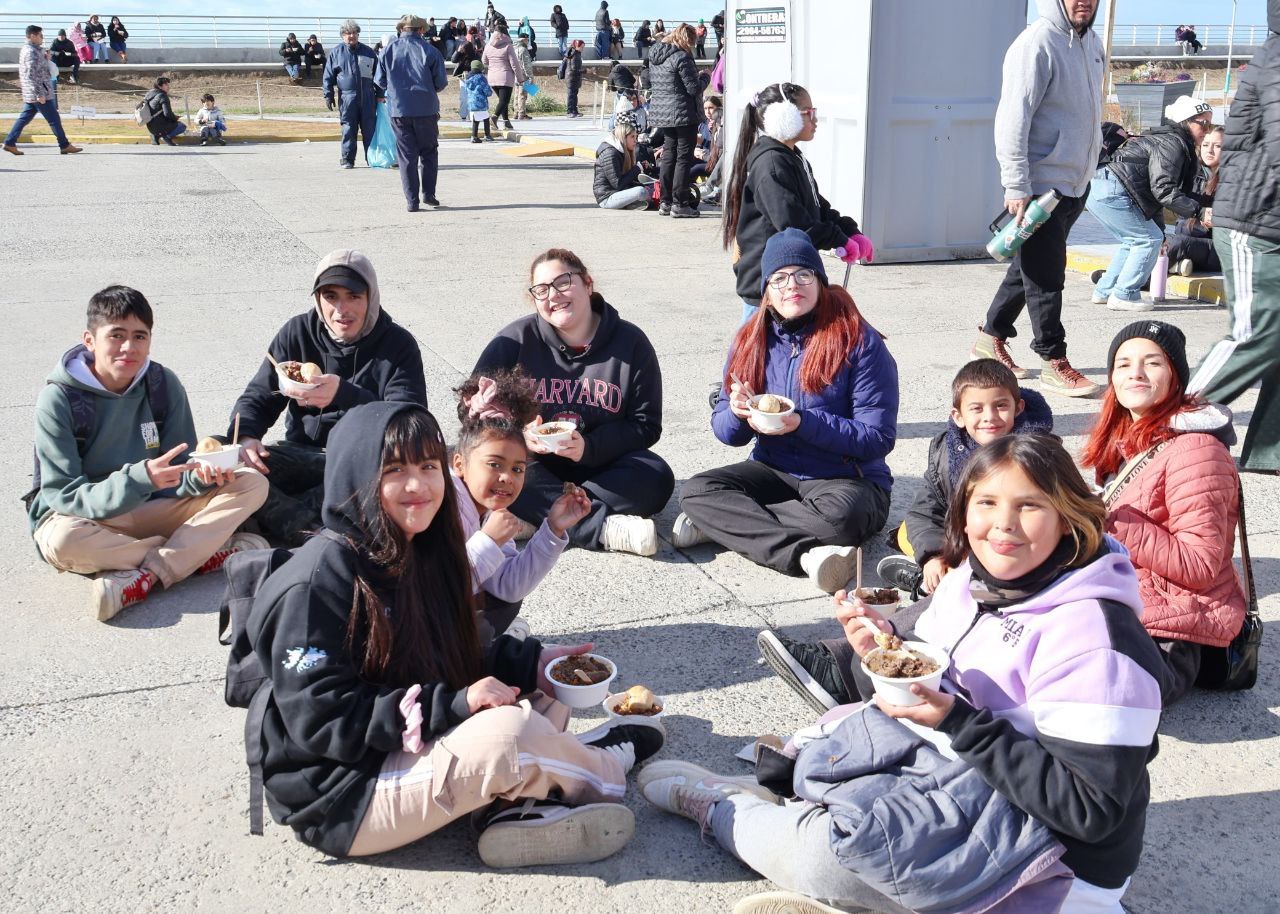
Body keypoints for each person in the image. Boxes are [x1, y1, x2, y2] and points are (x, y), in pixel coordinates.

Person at [647, 432, 1165, 914]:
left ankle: (722, 811)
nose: (1003, 524)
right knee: (830, 762)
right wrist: (885, 649)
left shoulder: (1097, 640)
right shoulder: (973, 580)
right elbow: (932, 678)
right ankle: (769, 803)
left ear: (1067, 519)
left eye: (1028, 505)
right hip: (959, 783)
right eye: (986, 503)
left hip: (1050, 857)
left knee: (823, 859)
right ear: (962, 514)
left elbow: (1091, 812)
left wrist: (958, 722)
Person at [247, 400, 664, 864]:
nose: (418, 485)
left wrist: (531, 662)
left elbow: (445, 650)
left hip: (400, 746)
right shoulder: (317, 581)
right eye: (394, 468)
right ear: (355, 474)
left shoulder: (418, 547)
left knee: (544, 690)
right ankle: (605, 767)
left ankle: (517, 811)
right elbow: (323, 719)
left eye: (428, 466)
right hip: (345, 794)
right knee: (512, 732)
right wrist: (454, 704)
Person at [758, 359, 1052, 713]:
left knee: (947, 600)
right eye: (977, 408)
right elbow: (923, 510)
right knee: (910, 537)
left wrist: (963, 565)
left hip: (1005, 562)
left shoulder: (1035, 456)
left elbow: (1040, 528)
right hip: (958, 548)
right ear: (958, 415)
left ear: (1018, 407)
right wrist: (933, 554)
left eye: (1001, 405)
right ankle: (917, 580)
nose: (990, 416)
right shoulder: (949, 450)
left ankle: (844, 668)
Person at [675, 229, 897, 592]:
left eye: (803, 274)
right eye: (779, 278)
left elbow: (877, 439)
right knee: (697, 491)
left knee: (840, 522)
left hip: (846, 478)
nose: (791, 285)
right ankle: (808, 557)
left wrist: (801, 422)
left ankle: (728, 524)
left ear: (820, 281)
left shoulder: (858, 340)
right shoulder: (750, 338)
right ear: (766, 291)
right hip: (774, 470)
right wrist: (737, 411)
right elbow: (726, 433)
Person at [28, 286, 268, 621]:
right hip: (91, 517)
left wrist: (201, 478)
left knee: (250, 482)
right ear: (89, 340)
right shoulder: (59, 400)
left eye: (140, 336)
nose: (129, 347)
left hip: (154, 507)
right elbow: (64, 494)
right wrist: (140, 479)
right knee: (60, 541)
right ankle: (198, 552)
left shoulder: (162, 385)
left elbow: (179, 473)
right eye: (116, 335)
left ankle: (143, 573)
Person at [1082, 322, 1246, 706]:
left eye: (1151, 363)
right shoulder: (1130, 438)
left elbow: (1200, 566)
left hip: (1171, 635)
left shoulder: (1196, 451)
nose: (1134, 373)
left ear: (1175, 376)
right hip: (1125, 599)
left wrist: (1111, 518)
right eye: (1123, 364)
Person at [474, 248, 675, 557]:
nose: (553, 295)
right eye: (541, 290)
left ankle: (535, 518)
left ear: (588, 284)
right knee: (483, 468)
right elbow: (474, 410)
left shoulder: (631, 343)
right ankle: (606, 529)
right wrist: (520, 436)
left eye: (563, 282)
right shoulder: (515, 340)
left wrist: (589, 447)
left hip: (602, 468)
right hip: (533, 467)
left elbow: (646, 424)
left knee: (656, 476)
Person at [230, 250, 426, 546]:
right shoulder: (297, 332)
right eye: (330, 296)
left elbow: (409, 422)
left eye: (353, 297)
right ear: (318, 299)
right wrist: (246, 438)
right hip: (301, 453)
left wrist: (345, 394)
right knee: (225, 456)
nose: (341, 309)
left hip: (361, 462)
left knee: (386, 481)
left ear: (371, 297)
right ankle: (318, 526)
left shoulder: (398, 345)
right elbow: (257, 396)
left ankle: (281, 523)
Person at [970, 0, 1104, 398]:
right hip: (1041, 184)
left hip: (1076, 183)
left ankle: (990, 336)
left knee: (1027, 266)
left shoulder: (1092, 43)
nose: (1084, 0)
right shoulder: (1037, 43)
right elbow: (1014, 116)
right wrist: (1016, 183)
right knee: (1047, 275)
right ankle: (1052, 358)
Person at [1186, 0, 1280, 475]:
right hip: (1255, 219)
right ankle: (1166, 421)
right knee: (1256, 329)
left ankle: (1270, 452)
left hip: (1272, 219)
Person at [452, 370, 592, 637]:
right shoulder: (440, 502)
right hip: (405, 631)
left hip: (441, 618)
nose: (506, 477)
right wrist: (487, 543)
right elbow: (430, 593)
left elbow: (508, 585)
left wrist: (552, 528)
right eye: (494, 464)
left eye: (518, 469)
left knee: (503, 604)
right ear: (460, 464)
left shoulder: (489, 509)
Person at [721, 82, 871, 322]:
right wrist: (837, 239)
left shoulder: (792, 157)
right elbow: (794, 224)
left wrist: (849, 231)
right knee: (754, 358)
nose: (815, 120)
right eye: (808, 113)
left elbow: (816, 207)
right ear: (784, 116)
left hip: (786, 277)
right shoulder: (771, 164)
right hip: (768, 284)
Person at [1086, 96, 1215, 311]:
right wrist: (1199, 212)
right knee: (1147, 240)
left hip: (1100, 186)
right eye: (1203, 123)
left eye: (1210, 124)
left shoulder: (1168, 140)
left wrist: (1161, 231)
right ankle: (1125, 295)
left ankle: (1105, 290)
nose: (1207, 129)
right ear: (1185, 122)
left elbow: (1151, 195)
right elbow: (1163, 190)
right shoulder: (1173, 143)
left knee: (1134, 241)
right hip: (1113, 188)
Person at [375, 15, 449, 212]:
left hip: (399, 110)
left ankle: (412, 201)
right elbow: (440, 83)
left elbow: (380, 81)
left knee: (407, 156)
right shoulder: (431, 51)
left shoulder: (387, 50)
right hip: (426, 109)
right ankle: (429, 194)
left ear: (401, 29)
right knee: (429, 153)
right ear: (421, 30)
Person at [648, 24, 704, 218]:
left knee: (669, 156)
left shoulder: (655, 58)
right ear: (686, 39)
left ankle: (666, 201)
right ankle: (680, 203)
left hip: (663, 114)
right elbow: (693, 89)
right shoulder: (682, 57)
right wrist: (704, 78)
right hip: (684, 113)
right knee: (683, 158)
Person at [3, 26, 81, 156]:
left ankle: (10, 142)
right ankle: (64, 145)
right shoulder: (31, 52)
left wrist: (46, 58)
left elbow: (38, 69)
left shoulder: (33, 50)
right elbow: (31, 75)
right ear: (32, 36)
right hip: (40, 93)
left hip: (34, 92)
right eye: (40, 36)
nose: (42, 38)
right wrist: (39, 93)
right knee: (54, 119)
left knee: (24, 118)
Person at [1167, 126, 1223, 276]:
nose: (1209, 150)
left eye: (1217, 146)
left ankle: (1141, 281)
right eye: (1205, 144)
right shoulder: (1192, 173)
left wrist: (1217, 220)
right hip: (1191, 241)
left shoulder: (1233, 179)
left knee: (1179, 243)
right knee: (1154, 241)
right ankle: (1116, 276)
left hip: (1220, 250)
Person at [324, 20, 379, 170]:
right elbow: (328, 76)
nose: (351, 36)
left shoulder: (369, 52)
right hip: (347, 99)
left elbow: (379, 75)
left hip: (368, 97)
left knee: (370, 129)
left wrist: (380, 94)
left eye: (354, 32)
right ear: (343, 35)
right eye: (348, 33)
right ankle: (347, 159)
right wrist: (328, 94)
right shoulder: (336, 53)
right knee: (348, 128)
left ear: (358, 34)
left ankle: (372, 159)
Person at [593, 113, 652, 211]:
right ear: (623, 137)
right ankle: (632, 203)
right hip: (607, 198)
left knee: (648, 188)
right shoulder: (610, 154)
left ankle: (631, 203)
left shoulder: (621, 151)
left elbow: (625, 180)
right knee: (641, 192)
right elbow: (618, 184)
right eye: (632, 137)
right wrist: (637, 168)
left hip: (617, 193)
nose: (635, 141)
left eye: (636, 137)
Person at [482, 22, 519, 131]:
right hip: (505, 77)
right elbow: (515, 64)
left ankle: (507, 122)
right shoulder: (508, 45)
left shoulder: (488, 45)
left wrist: (493, 66)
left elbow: (484, 60)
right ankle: (494, 118)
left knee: (502, 101)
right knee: (504, 101)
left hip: (492, 77)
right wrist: (520, 78)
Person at [142, 76, 186, 147]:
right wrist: (175, 118)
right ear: (160, 86)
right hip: (159, 125)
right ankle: (167, 136)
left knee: (170, 122)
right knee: (182, 126)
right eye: (166, 85)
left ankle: (155, 135)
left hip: (150, 126)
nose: (168, 87)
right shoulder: (163, 96)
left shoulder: (149, 94)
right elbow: (167, 114)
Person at [451, 28, 482, 119]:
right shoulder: (460, 53)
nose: (462, 50)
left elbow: (478, 66)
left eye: (464, 49)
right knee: (463, 97)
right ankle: (463, 116)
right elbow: (453, 60)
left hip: (472, 78)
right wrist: (458, 51)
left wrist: (469, 74)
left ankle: (472, 116)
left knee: (472, 96)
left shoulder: (475, 56)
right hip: (462, 77)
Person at [464, 59, 495, 142]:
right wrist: (489, 93)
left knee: (475, 120)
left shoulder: (467, 78)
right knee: (486, 119)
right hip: (481, 102)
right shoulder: (481, 78)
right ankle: (487, 135)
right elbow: (487, 90)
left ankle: (474, 136)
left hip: (471, 102)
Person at [560, 40, 583, 117]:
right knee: (571, 95)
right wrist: (585, 71)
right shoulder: (575, 54)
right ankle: (569, 111)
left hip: (572, 77)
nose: (583, 48)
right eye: (581, 47)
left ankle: (574, 111)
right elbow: (574, 68)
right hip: (572, 77)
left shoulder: (574, 53)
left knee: (574, 95)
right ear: (576, 46)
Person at [514, 34, 534, 120]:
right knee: (522, 95)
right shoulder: (524, 50)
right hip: (523, 75)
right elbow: (526, 65)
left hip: (516, 75)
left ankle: (516, 112)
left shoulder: (514, 49)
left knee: (516, 94)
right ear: (524, 40)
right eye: (527, 40)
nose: (528, 41)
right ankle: (522, 113)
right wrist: (530, 76)